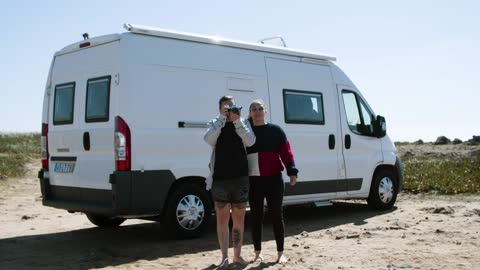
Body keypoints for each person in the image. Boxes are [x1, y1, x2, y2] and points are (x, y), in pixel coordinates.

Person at [204, 95, 256, 268]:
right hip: (220, 179)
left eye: (232, 106)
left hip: (240, 178)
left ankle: (237, 256)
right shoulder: (214, 122)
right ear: (220, 108)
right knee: (222, 219)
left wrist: (237, 121)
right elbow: (209, 139)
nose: (230, 110)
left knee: (239, 218)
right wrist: (221, 119)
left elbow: (250, 141)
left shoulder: (241, 122)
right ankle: (224, 257)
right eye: (226, 107)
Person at [246, 99, 298, 264]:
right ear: (250, 113)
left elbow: (286, 153)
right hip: (254, 180)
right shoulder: (246, 133)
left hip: (274, 179)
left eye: (260, 108)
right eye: (254, 109)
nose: (257, 111)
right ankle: (257, 253)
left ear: (265, 111)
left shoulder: (276, 131)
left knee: (276, 215)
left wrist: (292, 171)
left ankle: (280, 253)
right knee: (256, 216)